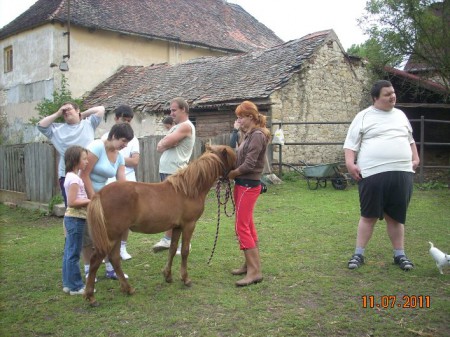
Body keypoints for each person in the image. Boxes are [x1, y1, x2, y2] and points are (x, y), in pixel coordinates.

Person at [343, 80, 420, 271]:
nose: (392, 96)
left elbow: (410, 139)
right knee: (368, 215)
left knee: (396, 217)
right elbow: (350, 144)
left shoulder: (401, 115)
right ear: (375, 98)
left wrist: (416, 158)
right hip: (372, 174)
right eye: (387, 94)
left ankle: (399, 255)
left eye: (393, 92)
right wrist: (350, 164)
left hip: (402, 173)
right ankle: (358, 254)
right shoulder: (363, 116)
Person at [80, 123, 134, 280]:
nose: (125, 145)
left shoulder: (119, 157)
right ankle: (89, 270)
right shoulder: (97, 147)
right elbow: (84, 175)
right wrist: (92, 200)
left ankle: (111, 269)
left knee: (108, 233)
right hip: (86, 194)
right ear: (114, 136)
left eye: (127, 142)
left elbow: (122, 182)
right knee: (89, 235)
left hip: (102, 197)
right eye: (123, 141)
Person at [227, 101, 270, 286]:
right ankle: (249, 265)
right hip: (242, 184)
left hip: (247, 185)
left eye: (240, 117)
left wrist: (232, 173)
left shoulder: (258, 135)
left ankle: (255, 271)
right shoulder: (250, 134)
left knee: (241, 227)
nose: (238, 120)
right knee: (248, 226)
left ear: (250, 117)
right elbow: (238, 155)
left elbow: (249, 164)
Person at [37, 103, 105, 208]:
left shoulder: (89, 123)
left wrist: (82, 114)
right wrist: (57, 113)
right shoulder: (56, 130)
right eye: (64, 111)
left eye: (69, 109)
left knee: (91, 207)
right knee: (72, 206)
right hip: (67, 175)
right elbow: (41, 125)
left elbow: (101, 109)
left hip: (87, 173)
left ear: (77, 110)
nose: (66, 112)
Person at [152, 98, 196, 254]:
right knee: (171, 208)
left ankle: (184, 242)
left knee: (178, 209)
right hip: (168, 170)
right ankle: (168, 239)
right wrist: (165, 143)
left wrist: (166, 143)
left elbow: (164, 143)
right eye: (171, 110)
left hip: (175, 172)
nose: (171, 113)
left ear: (183, 109)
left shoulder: (185, 126)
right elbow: (159, 146)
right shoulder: (177, 127)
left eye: (174, 110)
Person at [101, 105, 140, 261]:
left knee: (126, 216)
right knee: (108, 217)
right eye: (124, 119)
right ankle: (106, 246)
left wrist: (119, 160)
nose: (127, 123)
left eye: (129, 121)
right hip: (108, 180)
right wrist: (120, 160)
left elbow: (135, 161)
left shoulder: (133, 138)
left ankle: (122, 246)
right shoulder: (104, 139)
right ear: (116, 118)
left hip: (127, 178)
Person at [62, 145, 90, 295]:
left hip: (73, 219)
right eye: (84, 159)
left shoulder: (71, 177)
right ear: (75, 160)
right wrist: (90, 201)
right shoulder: (74, 179)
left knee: (68, 252)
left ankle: (67, 283)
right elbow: (72, 201)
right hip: (75, 219)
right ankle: (76, 287)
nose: (86, 162)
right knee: (73, 253)